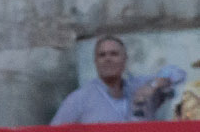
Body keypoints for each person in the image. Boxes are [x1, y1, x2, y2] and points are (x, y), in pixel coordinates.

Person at [51, 32, 185, 122]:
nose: (107, 59)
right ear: (95, 62)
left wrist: (153, 86)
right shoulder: (80, 99)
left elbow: (178, 73)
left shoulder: (139, 85)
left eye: (113, 54)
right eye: (102, 55)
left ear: (125, 59)